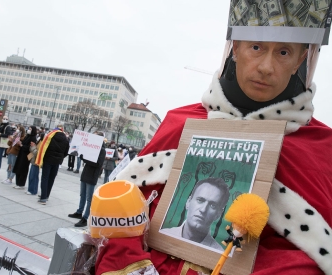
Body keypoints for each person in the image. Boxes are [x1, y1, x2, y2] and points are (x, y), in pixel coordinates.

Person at [94, 2, 332, 275]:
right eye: (256, 47)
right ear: (236, 48)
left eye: (283, 52)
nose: (267, 67)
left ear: (300, 61)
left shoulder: (322, 148)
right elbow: (121, 219)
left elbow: (308, 260)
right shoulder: (179, 122)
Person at [161, 178, 229, 251]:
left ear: (218, 214)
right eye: (200, 200)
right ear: (188, 202)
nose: (203, 210)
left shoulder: (219, 254)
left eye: (213, 205)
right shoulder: (162, 235)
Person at [68, 132, 106, 227]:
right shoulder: (91, 147)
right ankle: (79, 212)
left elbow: (98, 164)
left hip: (92, 176)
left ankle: (85, 218)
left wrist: (86, 159)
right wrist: (83, 157)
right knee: (82, 195)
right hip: (85, 174)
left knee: (89, 198)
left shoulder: (102, 150)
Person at [36, 124, 69, 205]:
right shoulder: (65, 138)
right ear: (62, 129)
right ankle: (46, 195)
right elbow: (66, 151)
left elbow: (44, 148)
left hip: (48, 159)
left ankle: (43, 198)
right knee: (51, 178)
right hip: (57, 161)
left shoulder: (50, 136)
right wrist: (60, 157)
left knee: (45, 178)